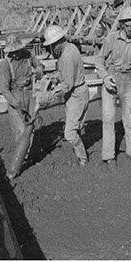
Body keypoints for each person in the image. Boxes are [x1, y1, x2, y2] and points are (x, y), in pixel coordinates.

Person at [95, 5, 131, 164]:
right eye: (127, 26)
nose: (130, 29)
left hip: (127, 82)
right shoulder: (111, 38)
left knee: (130, 120)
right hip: (111, 80)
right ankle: (109, 156)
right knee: (109, 119)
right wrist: (104, 77)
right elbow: (98, 60)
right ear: (122, 24)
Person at [43, 24, 90, 165]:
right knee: (75, 125)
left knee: (69, 133)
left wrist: (51, 95)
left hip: (76, 93)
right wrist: (54, 76)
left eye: (51, 47)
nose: (51, 51)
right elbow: (67, 73)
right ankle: (79, 152)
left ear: (56, 44)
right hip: (77, 91)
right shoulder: (70, 47)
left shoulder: (66, 56)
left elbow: (67, 85)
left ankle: (83, 158)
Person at [0, 39, 43, 182]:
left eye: (17, 51)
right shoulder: (5, 64)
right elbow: (4, 89)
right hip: (15, 95)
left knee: (31, 127)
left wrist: (40, 68)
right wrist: (15, 104)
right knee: (19, 131)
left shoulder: (28, 55)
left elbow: (39, 65)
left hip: (30, 93)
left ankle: (28, 153)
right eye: (13, 52)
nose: (16, 54)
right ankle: (18, 163)